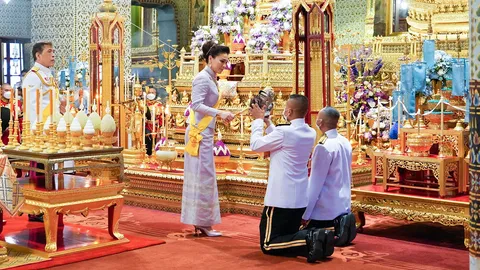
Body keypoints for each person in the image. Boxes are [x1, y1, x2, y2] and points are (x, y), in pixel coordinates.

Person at [250, 94, 333, 263]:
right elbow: (283, 141)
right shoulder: (310, 132)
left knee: (268, 244)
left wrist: (258, 121)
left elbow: (256, 145)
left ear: (288, 111)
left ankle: (311, 236)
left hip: (280, 199)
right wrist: (268, 123)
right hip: (299, 199)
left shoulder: (284, 132)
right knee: (287, 236)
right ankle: (314, 239)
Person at [181, 41, 234, 236]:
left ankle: (201, 221)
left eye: (227, 61)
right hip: (198, 134)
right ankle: (202, 222)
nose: (224, 65)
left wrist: (221, 115)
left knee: (204, 176)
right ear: (210, 59)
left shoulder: (212, 78)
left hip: (204, 132)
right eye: (222, 61)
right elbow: (196, 105)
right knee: (203, 176)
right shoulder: (202, 79)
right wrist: (220, 113)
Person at [302, 107, 355, 246]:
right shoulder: (345, 141)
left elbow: (315, 183)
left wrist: (305, 214)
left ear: (320, 122)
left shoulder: (323, 146)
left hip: (326, 210)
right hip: (343, 204)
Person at [22, 41, 57, 222]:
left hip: (51, 130)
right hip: (40, 133)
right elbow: (32, 107)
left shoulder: (47, 75)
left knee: (50, 171)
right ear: (38, 55)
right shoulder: (33, 77)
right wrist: (38, 132)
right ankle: (37, 208)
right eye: (49, 52)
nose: (53, 55)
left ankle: (50, 203)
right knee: (39, 170)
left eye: (53, 51)